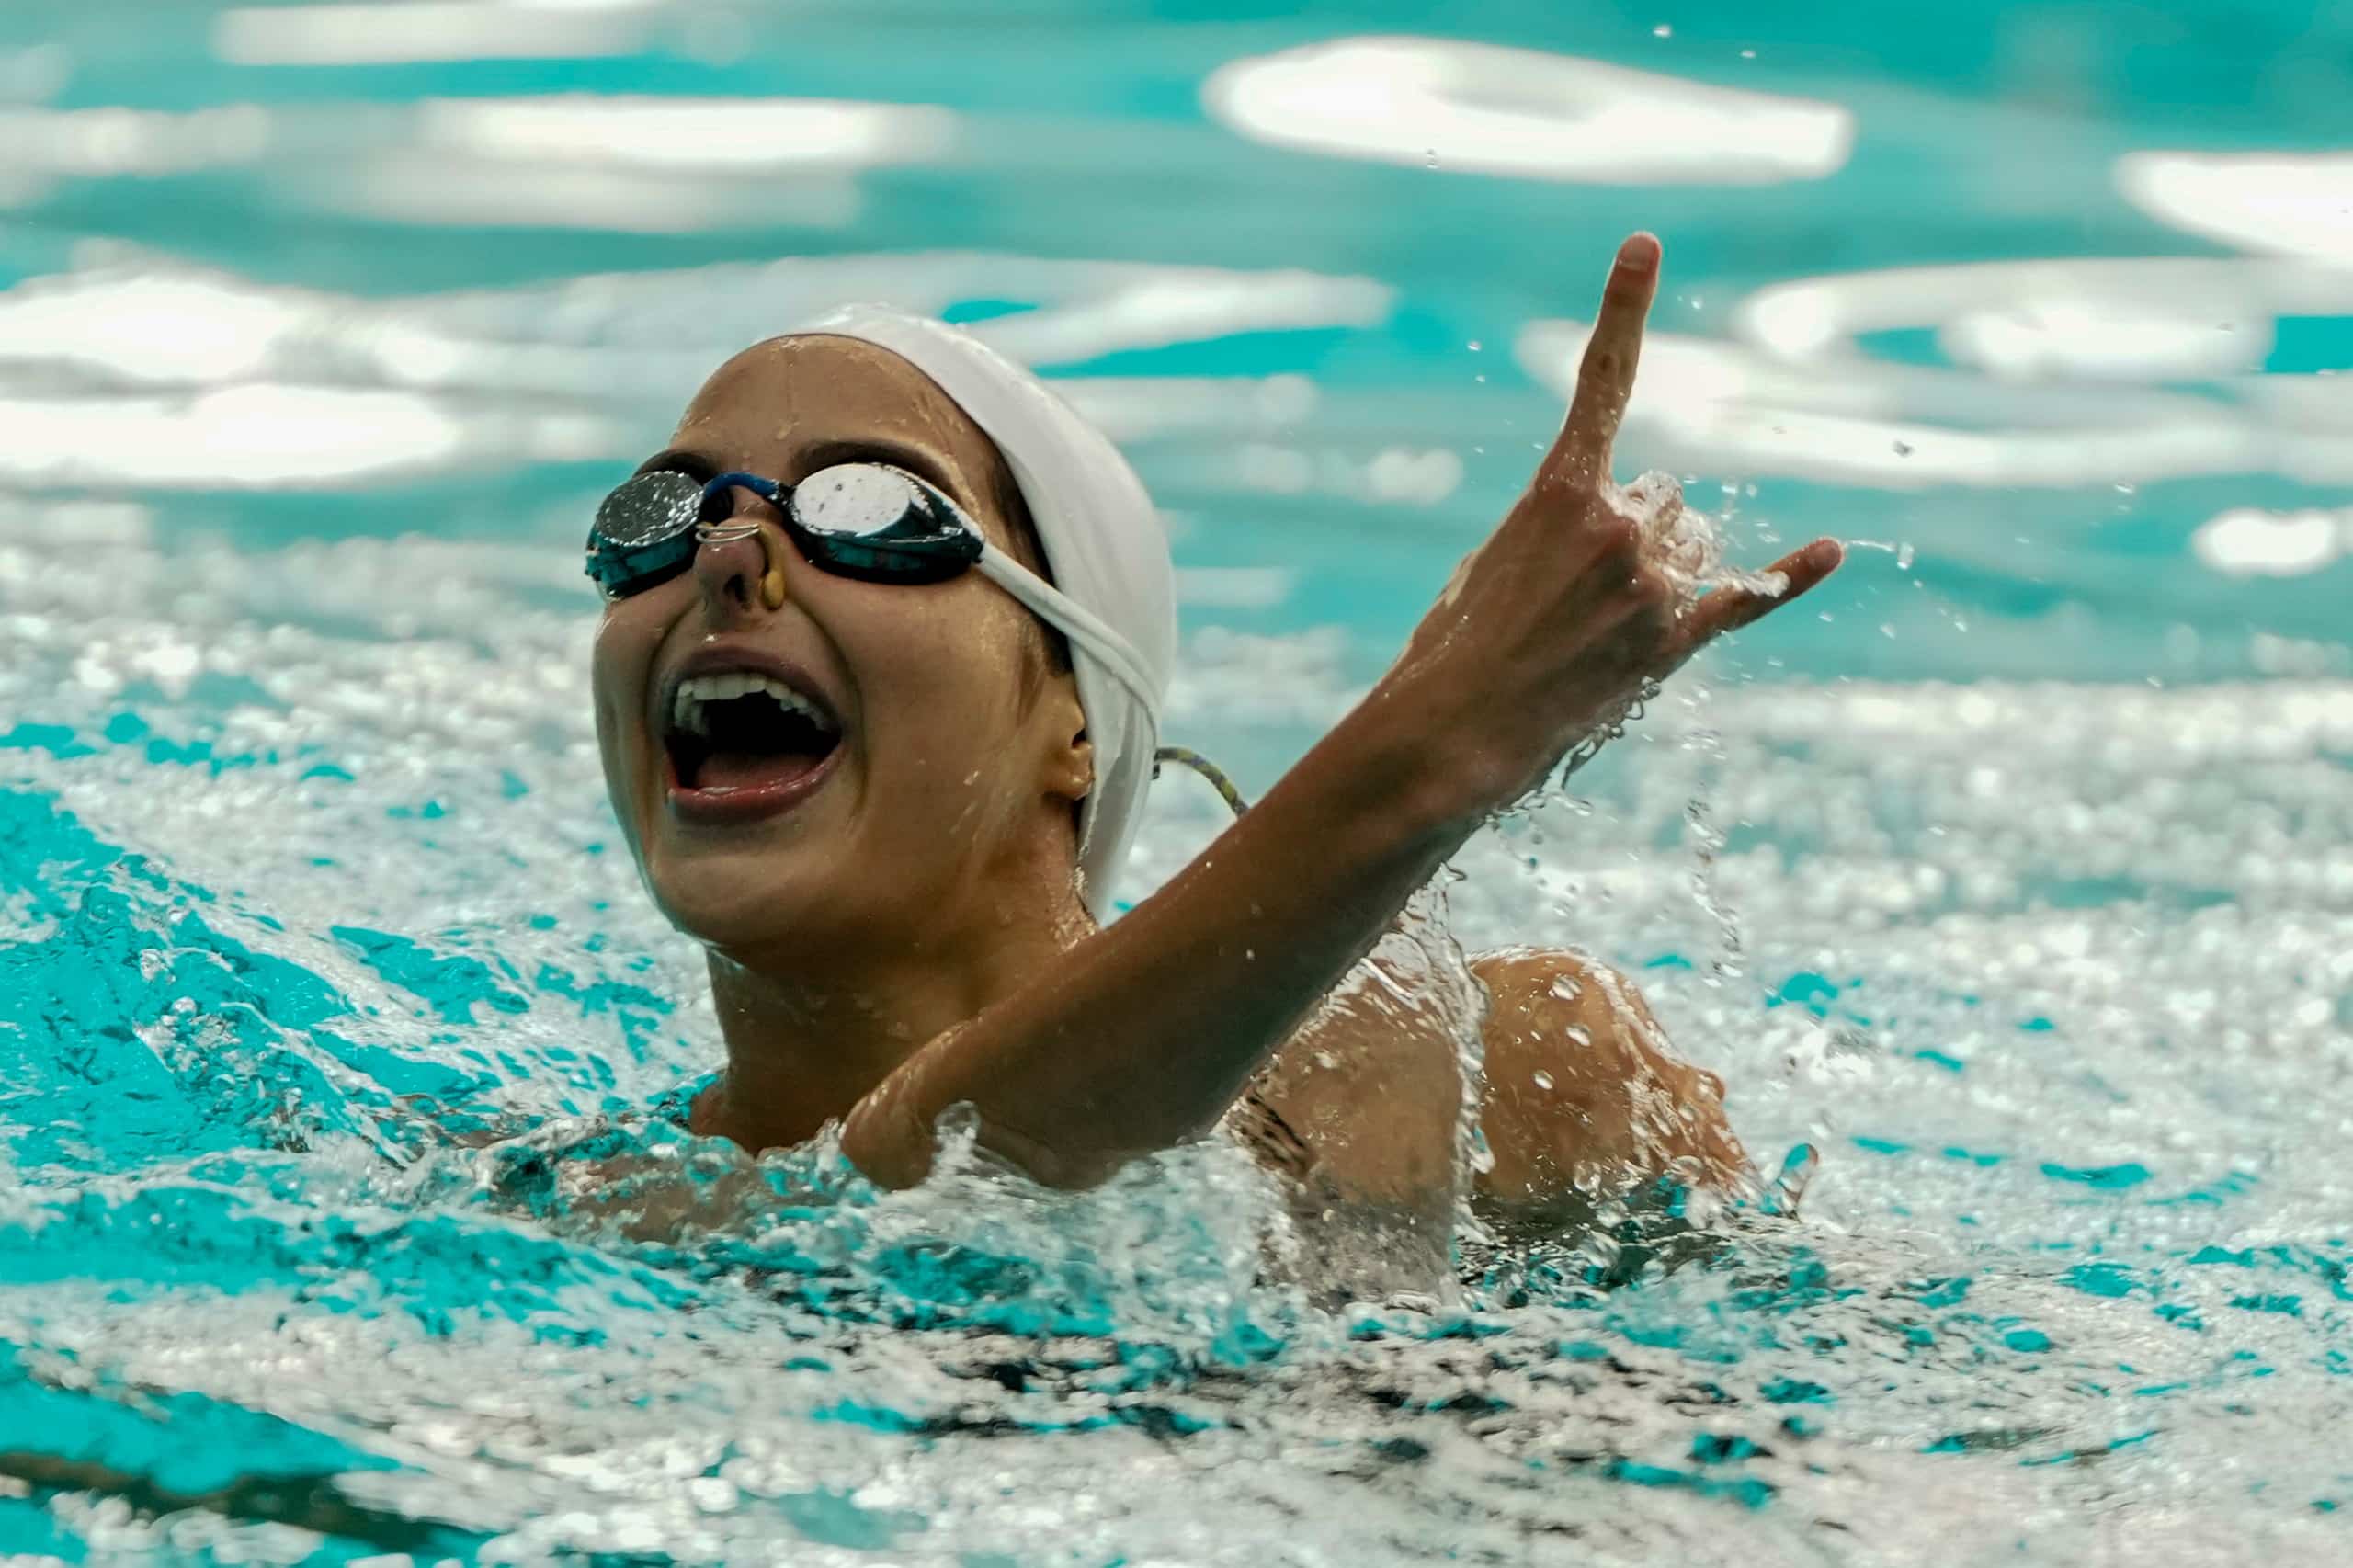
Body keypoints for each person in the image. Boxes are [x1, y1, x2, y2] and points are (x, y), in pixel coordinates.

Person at [582, 233, 1842, 1285]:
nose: (724, 554)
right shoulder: (593, 1221)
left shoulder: (1508, 1073)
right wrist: (1449, 728)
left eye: (873, 509)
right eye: (652, 518)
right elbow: (932, 1168)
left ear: (1074, 721)